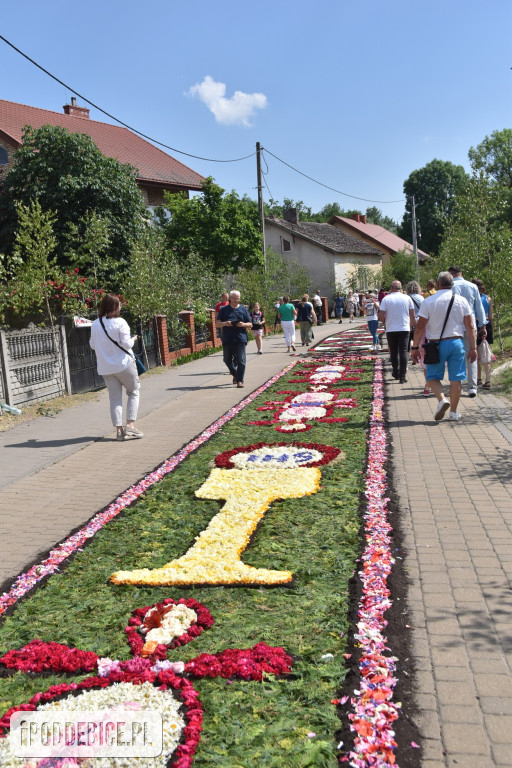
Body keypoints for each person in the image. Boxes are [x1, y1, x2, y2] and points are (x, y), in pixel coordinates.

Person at [411, 272, 477, 421]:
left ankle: (442, 399)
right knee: (456, 379)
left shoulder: (429, 301)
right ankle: (453, 412)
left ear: (438, 284)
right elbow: (470, 326)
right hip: (456, 342)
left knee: (432, 376)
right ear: (452, 285)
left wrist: (414, 347)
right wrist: (473, 347)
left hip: (436, 345)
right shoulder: (461, 301)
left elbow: (420, 327)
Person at [89, 294, 143, 441]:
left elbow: (93, 345)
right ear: (114, 307)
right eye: (119, 304)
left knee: (114, 399)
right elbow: (126, 344)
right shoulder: (121, 322)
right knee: (133, 391)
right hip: (124, 365)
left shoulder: (95, 324)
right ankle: (130, 427)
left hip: (106, 368)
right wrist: (133, 339)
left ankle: (119, 432)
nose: (120, 307)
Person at [448, 266, 486, 397]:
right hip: (470, 326)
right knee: (472, 356)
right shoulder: (472, 286)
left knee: (456, 357)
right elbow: (479, 307)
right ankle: (472, 387)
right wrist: (483, 325)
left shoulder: (450, 287)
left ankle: (456, 385)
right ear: (461, 273)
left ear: (451, 274)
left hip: (454, 327)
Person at [378, 281, 416, 384]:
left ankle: (395, 372)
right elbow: (412, 314)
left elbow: (381, 315)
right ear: (400, 288)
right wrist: (410, 325)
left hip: (391, 329)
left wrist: (385, 322)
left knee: (394, 352)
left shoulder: (386, 299)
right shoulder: (407, 298)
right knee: (403, 351)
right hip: (404, 328)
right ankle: (402, 377)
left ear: (391, 288)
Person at [216, 290, 252, 388]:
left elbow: (250, 324)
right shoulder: (224, 310)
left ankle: (240, 380)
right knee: (227, 360)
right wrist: (225, 323)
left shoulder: (243, 310)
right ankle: (235, 374)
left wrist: (243, 324)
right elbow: (217, 323)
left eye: (238, 298)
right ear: (230, 298)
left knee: (241, 360)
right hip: (227, 338)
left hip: (240, 338)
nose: (236, 300)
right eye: (234, 298)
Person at [473, 279, 493, 388]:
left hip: (476, 324)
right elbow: (491, 316)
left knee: (476, 352)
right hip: (487, 325)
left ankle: (478, 378)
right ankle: (488, 380)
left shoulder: (473, 299)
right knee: (486, 353)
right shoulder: (488, 298)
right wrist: (492, 329)